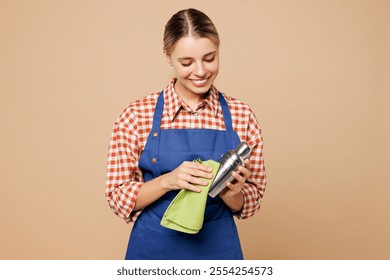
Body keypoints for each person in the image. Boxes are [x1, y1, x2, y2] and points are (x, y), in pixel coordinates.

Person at [106, 8, 266, 260]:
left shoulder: (241, 115)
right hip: (154, 250)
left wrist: (233, 194)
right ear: (168, 56)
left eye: (210, 58)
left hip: (218, 250)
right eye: (187, 62)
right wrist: (167, 181)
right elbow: (118, 197)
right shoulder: (136, 115)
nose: (200, 71)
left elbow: (252, 200)